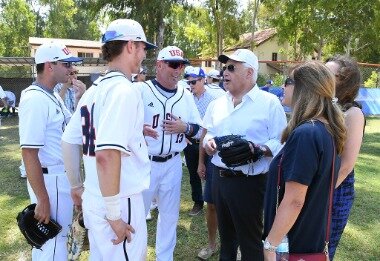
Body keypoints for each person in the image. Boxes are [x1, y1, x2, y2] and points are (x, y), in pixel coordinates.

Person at [61, 18, 156, 260]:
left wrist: (75, 185)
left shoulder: (94, 90)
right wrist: (114, 215)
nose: (145, 53)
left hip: (95, 195)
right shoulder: (124, 90)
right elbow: (106, 155)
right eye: (144, 46)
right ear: (131, 46)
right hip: (119, 200)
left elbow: (69, 141)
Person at [203, 49, 287, 260]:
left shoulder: (269, 103)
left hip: (250, 183)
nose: (225, 73)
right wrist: (209, 142)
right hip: (220, 179)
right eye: (224, 68)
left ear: (250, 73)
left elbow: (281, 142)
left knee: (250, 244)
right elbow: (209, 132)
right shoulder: (217, 103)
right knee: (227, 241)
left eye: (232, 68)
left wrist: (258, 149)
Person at [262, 61, 347, 261]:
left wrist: (270, 245)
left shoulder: (306, 134)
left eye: (288, 81)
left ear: (304, 88)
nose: (283, 86)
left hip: (294, 247)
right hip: (309, 242)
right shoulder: (325, 130)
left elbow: (294, 201)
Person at [134, 45, 202, 261]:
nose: (178, 70)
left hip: (173, 163)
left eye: (181, 65)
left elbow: (200, 131)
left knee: (170, 217)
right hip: (144, 162)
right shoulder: (141, 90)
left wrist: (186, 128)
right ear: (159, 65)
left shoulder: (185, 94)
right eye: (173, 64)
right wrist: (136, 130)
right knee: (136, 217)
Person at [18, 41, 84, 261]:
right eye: (66, 64)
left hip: (60, 177)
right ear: (49, 66)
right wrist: (42, 199)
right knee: (53, 245)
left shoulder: (52, 94)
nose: (71, 69)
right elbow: (29, 153)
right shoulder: (35, 98)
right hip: (50, 180)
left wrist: (80, 98)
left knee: (60, 241)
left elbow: (72, 128)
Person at [325, 55, 365, 260]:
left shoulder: (353, 114)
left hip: (335, 191)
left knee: (323, 250)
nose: (321, 76)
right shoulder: (324, 108)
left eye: (327, 73)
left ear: (343, 80)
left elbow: (346, 164)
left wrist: (320, 196)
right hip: (315, 187)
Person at [183, 67, 225, 218]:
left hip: (207, 144)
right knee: (194, 174)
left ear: (203, 80)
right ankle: (198, 202)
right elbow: (183, 119)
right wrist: (183, 136)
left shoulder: (213, 100)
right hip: (190, 143)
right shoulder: (187, 99)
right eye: (189, 82)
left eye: (193, 82)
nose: (191, 85)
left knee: (210, 173)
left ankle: (212, 203)